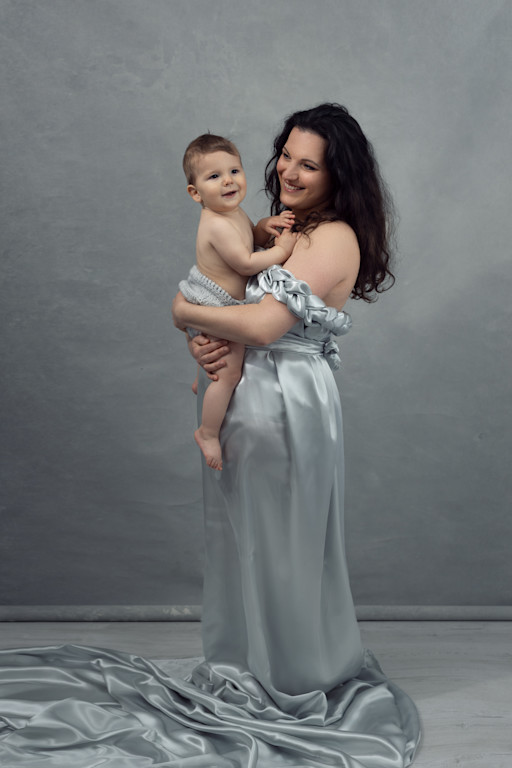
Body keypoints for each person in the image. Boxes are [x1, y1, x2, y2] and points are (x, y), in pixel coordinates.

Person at [0, 104, 420, 767]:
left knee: (285, 540)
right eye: (286, 153)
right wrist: (211, 334)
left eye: (308, 163)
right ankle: (249, 662)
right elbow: (239, 302)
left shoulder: (332, 235)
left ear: (339, 174)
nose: (287, 169)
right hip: (251, 397)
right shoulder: (284, 227)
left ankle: (292, 672)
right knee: (245, 540)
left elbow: (258, 328)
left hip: (285, 403)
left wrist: (183, 313)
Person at [179, 134, 296, 470]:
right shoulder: (215, 224)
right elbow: (245, 263)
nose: (228, 180)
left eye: (234, 171)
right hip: (215, 303)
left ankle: (201, 379)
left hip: (217, 298)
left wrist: (264, 227)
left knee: (215, 362)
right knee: (229, 374)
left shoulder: (232, 211)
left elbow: (251, 237)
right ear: (195, 193)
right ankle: (208, 431)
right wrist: (281, 251)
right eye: (214, 176)